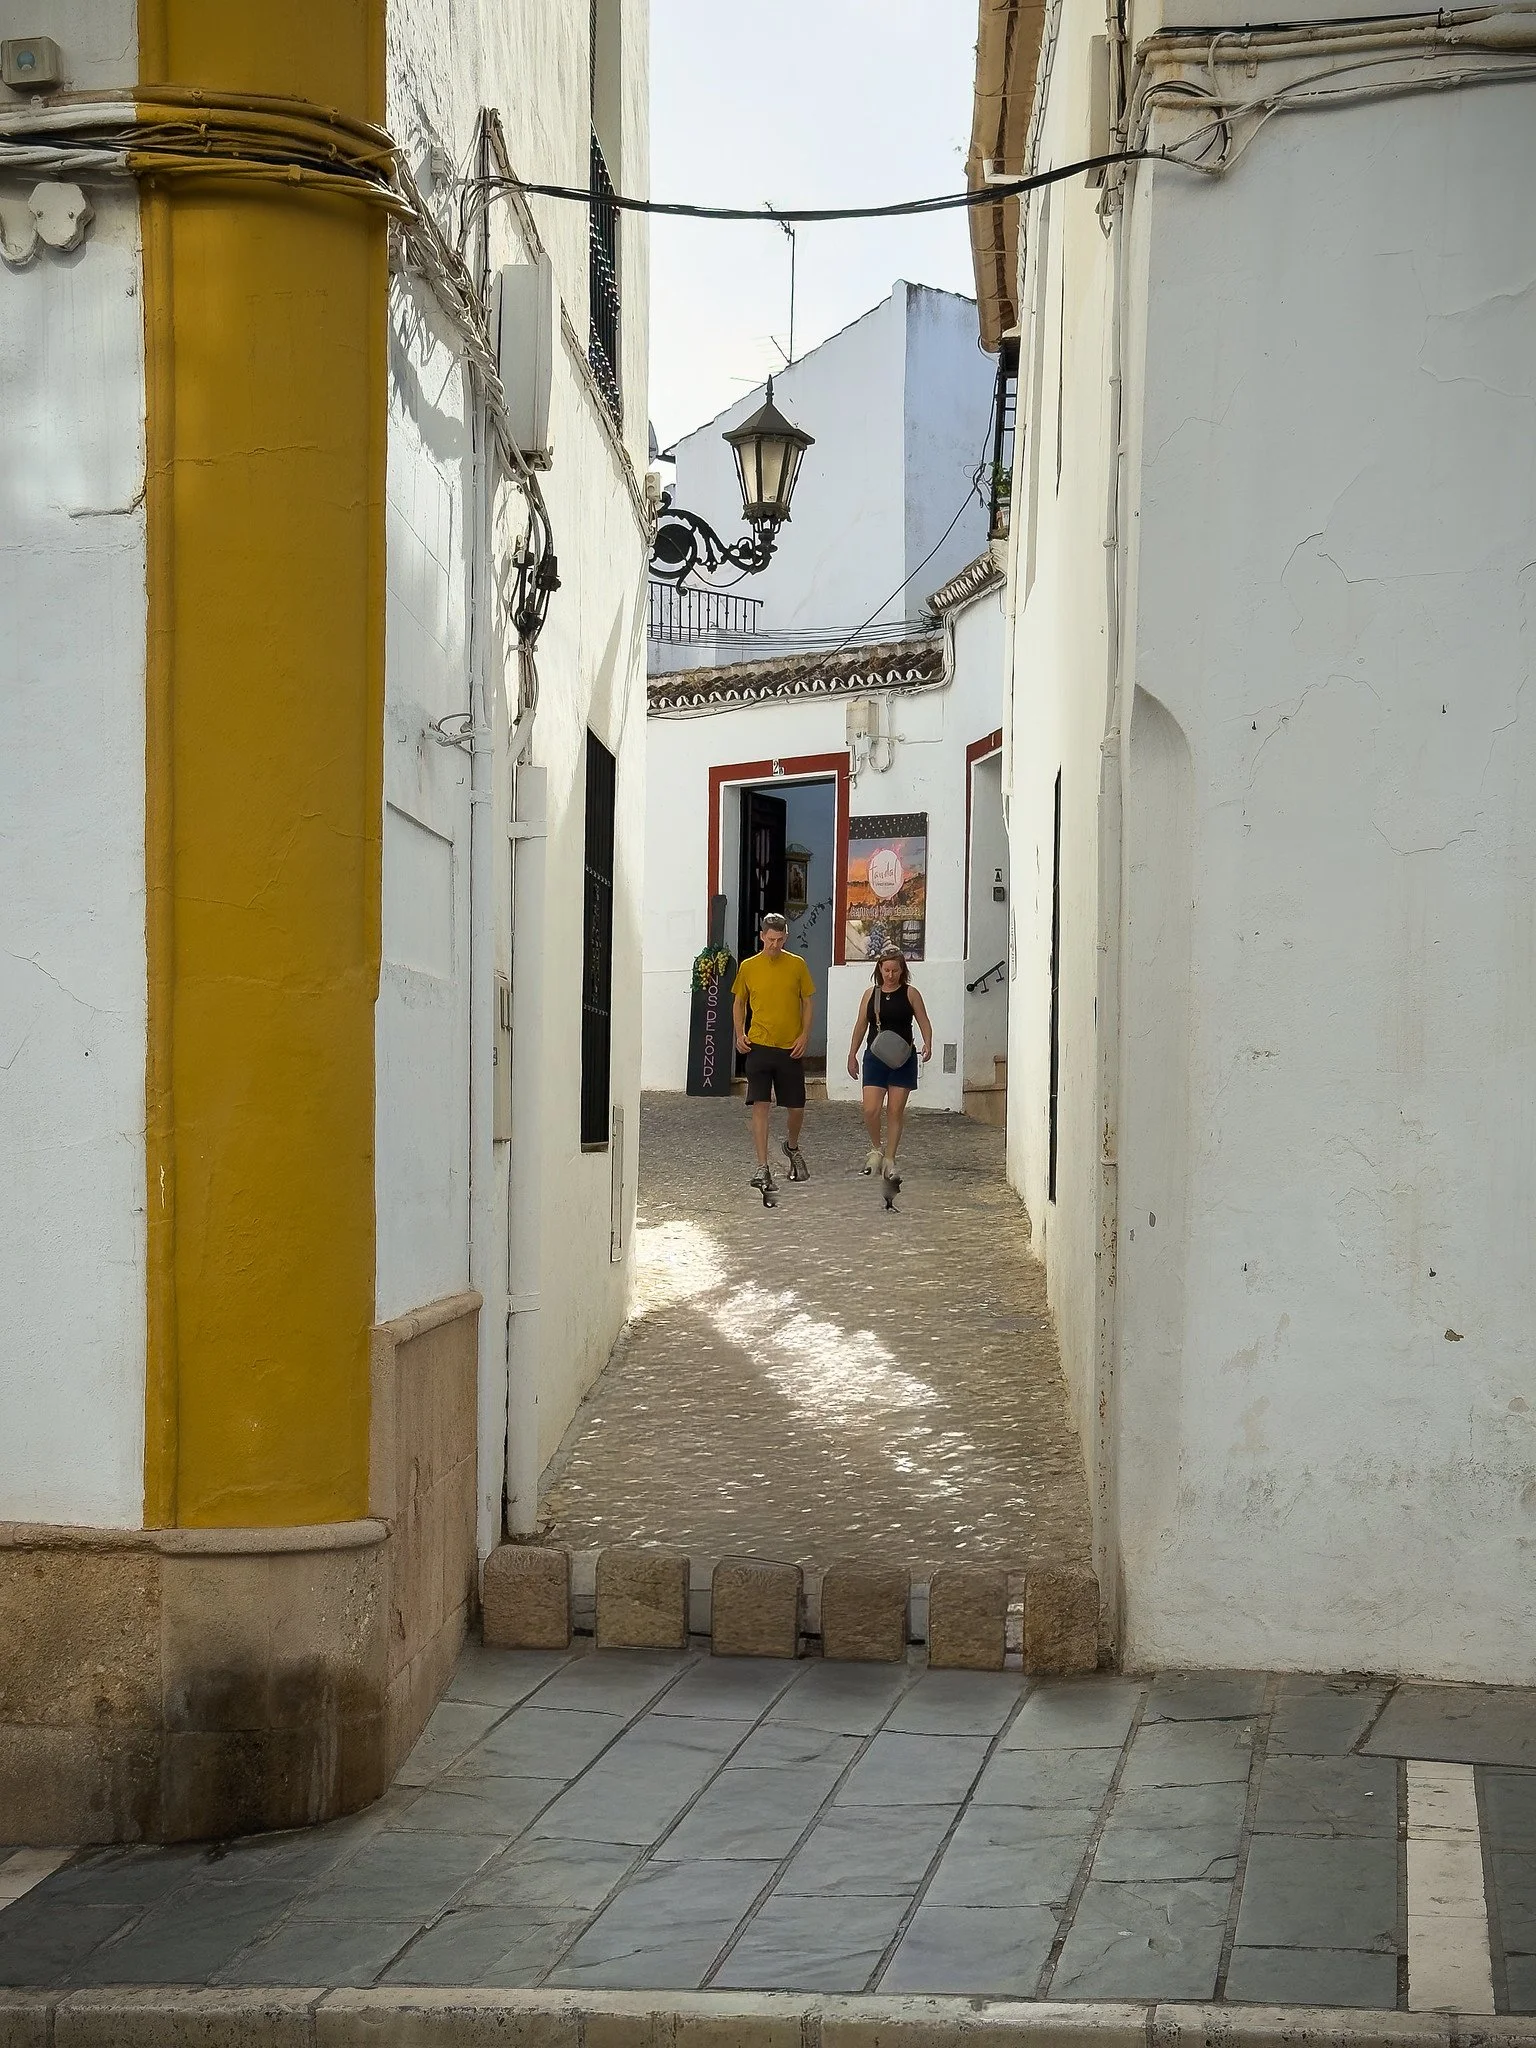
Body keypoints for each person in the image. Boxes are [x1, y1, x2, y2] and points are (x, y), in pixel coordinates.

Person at [732, 911, 815, 1197]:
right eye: (770, 940)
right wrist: (739, 1032)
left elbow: (807, 1001)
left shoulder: (797, 965)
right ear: (762, 936)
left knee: (796, 1107)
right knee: (760, 1105)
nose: (774, 945)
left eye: (780, 940)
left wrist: (805, 1035)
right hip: (759, 1045)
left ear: (786, 938)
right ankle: (762, 1165)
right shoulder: (748, 966)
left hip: (789, 1047)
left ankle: (791, 1146)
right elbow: (739, 1001)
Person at [847, 944, 932, 1185]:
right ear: (880, 970)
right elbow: (860, 1025)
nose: (890, 975)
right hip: (875, 1056)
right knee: (870, 1110)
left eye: (895, 970)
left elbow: (923, 1020)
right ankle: (876, 1148)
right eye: (886, 970)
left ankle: (891, 1158)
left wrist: (928, 1043)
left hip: (903, 1057)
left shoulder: (910, 993)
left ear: (902, 971)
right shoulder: (870, 994)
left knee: (895, 1110)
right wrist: (852, 1054)